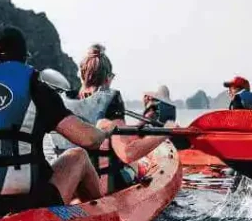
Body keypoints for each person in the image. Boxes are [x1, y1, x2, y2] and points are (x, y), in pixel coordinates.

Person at [0, 25, 116, 221]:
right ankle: (102, 220)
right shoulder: (33, 86)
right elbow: (88, 139)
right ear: (24, 58)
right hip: (24, 207)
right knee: (78, 156)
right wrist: (105, 131)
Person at [52, 44, 174, 193]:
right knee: (135, 164)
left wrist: (141, 124)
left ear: (82, 75)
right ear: (107, 78)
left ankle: (148, 117)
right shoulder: (110, 99)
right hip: (103, 189)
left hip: (68, 189)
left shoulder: (59, 101)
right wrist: (166, 132)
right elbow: (127, 153)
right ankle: (152, 117)